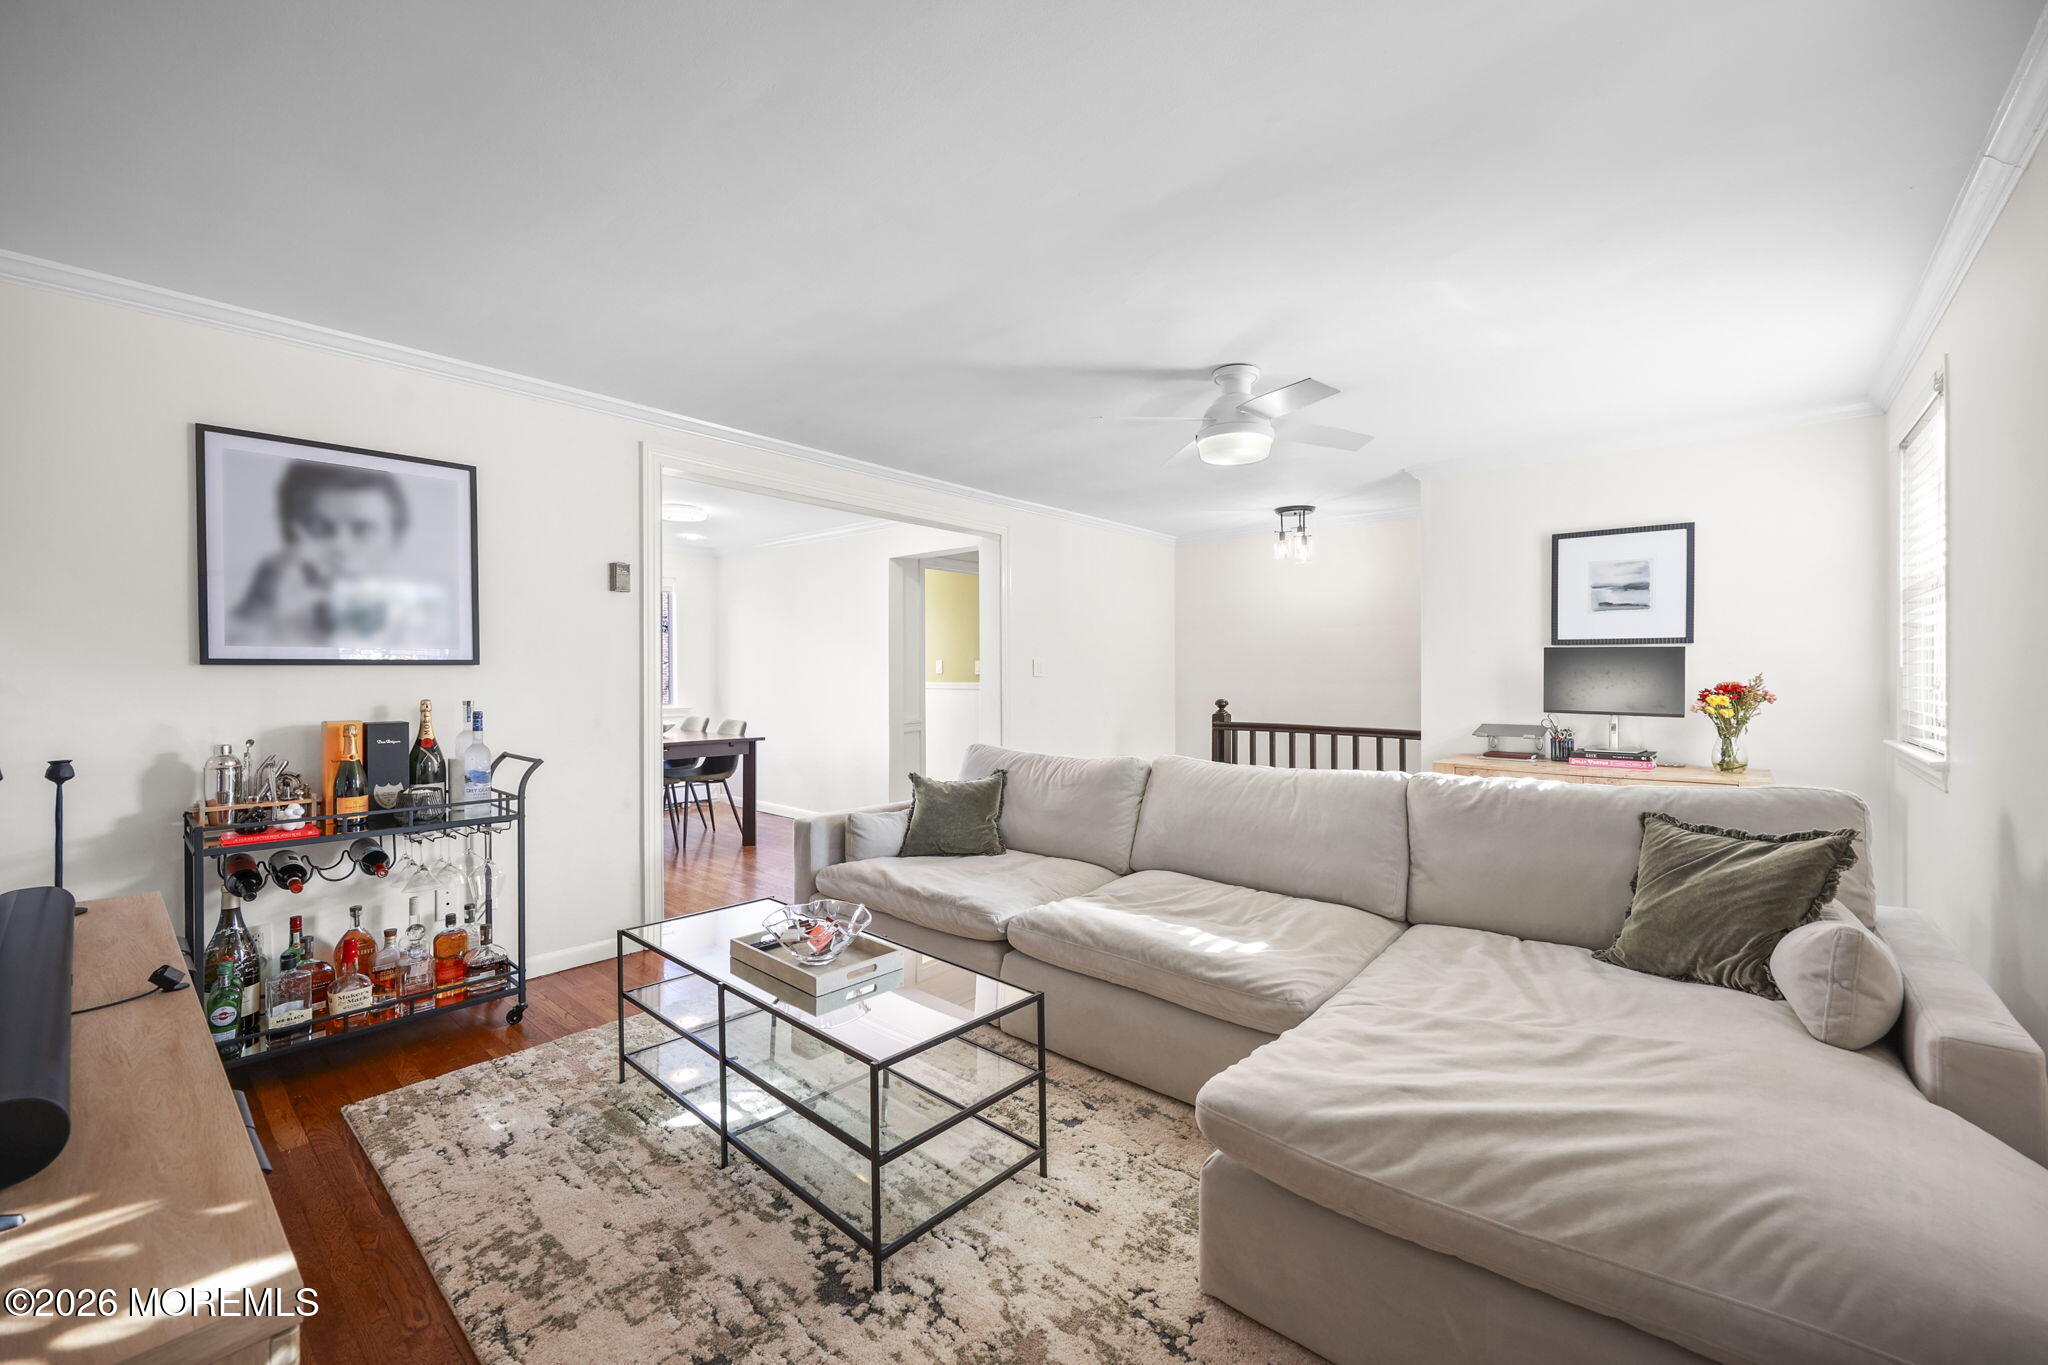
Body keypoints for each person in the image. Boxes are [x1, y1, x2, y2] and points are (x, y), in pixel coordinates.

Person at [230, 459, 440, 647]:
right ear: (289, 535)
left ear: (397, 538)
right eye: (320, 528)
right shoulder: (254, 630)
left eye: (362, 529)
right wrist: (254, 615)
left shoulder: (424, 634)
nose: (340, 546)